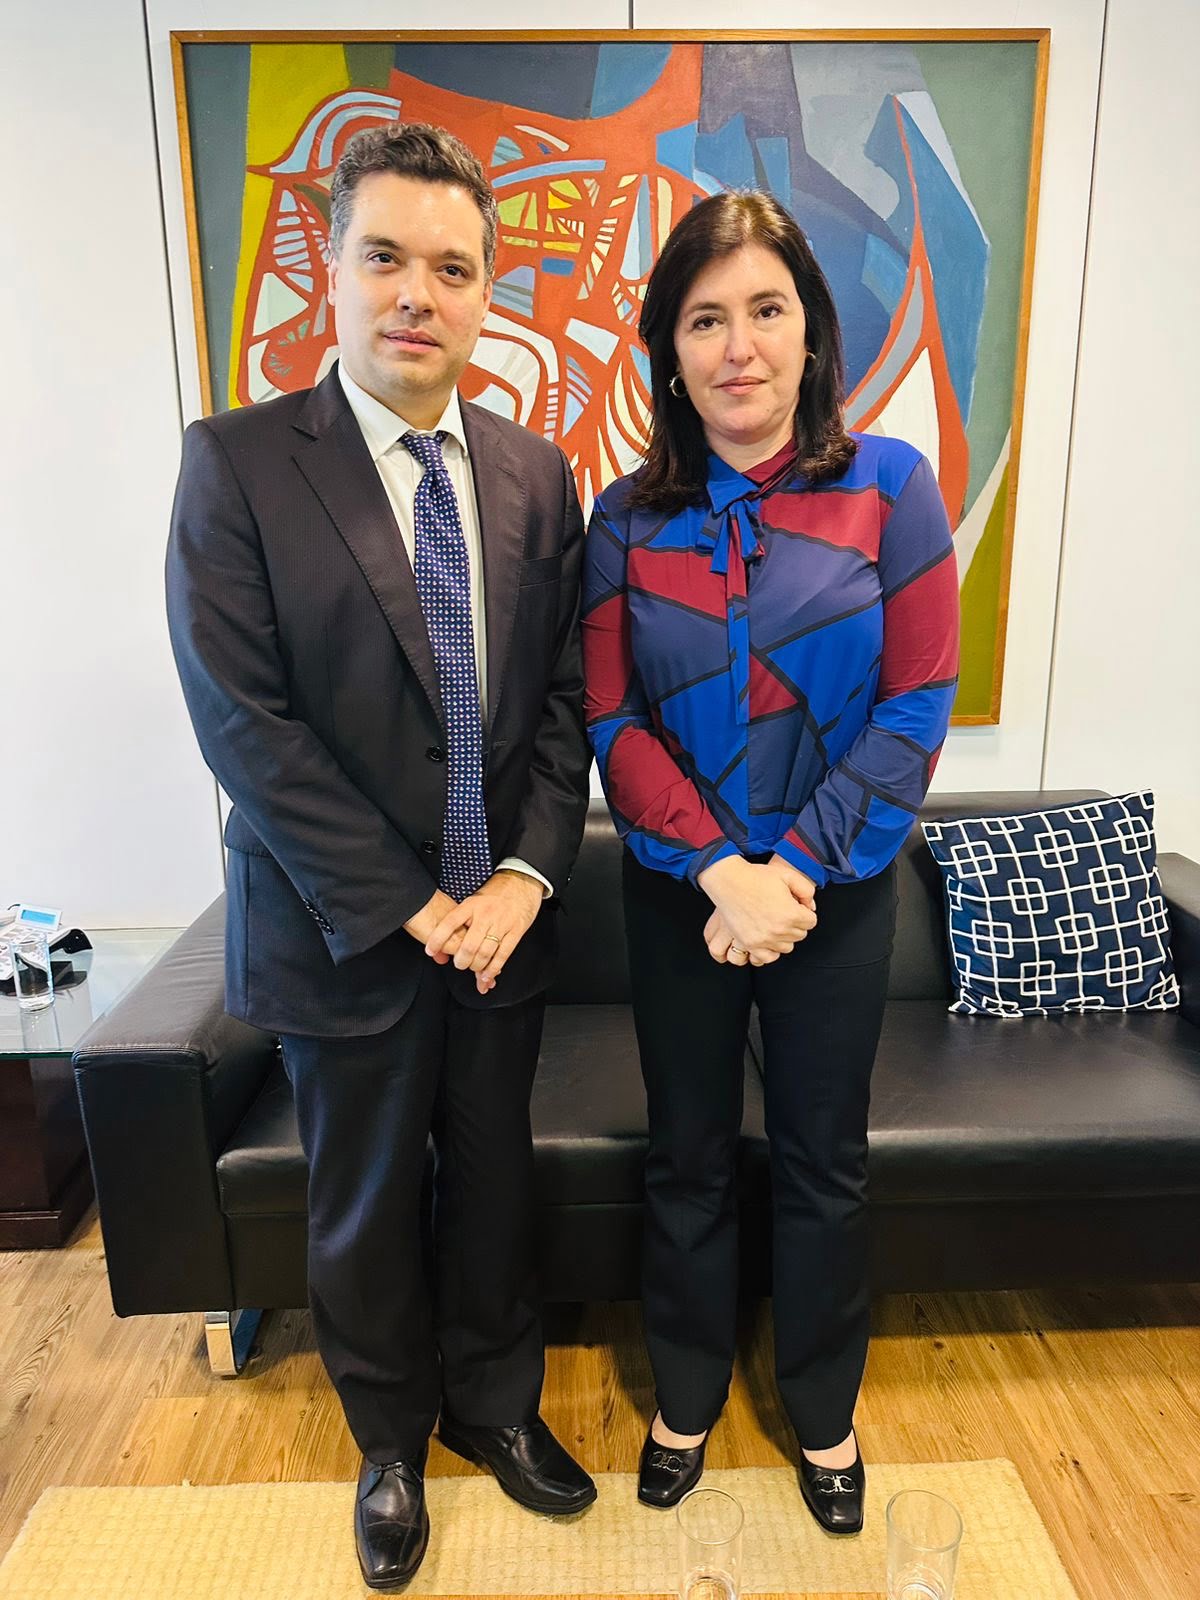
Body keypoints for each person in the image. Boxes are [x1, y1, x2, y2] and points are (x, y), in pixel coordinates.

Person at [167, 122, 595, 1589]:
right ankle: (390, 1444)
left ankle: (496, 1408)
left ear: (488, 296)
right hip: (342, 928)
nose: (419, 292)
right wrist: (416, 904)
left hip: (504, 928)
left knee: (493, 1183)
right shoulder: (237, 464)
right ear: (335, 272)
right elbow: (244, 723)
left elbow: (563, 703)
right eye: (387, 258)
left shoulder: (540, 475)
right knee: (358, 1202)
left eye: (454, 268)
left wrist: (523, 878)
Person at [582, 190, 959, 1534]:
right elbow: (611, 718)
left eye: (765, 310)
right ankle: (685, 1398)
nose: (737, 346)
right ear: (669, 350)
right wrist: (716, 872)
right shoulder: (623, 522)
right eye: (704, 319)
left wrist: (788, 870)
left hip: (832, 899)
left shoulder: (893, 490)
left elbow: (916, 705)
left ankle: (823, 1410)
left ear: (811, 331)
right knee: (685, 1155)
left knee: (822, 1161)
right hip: (680, 896)